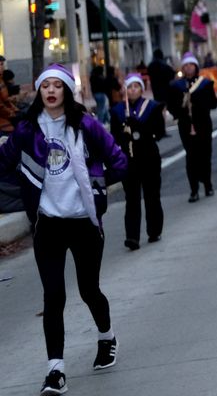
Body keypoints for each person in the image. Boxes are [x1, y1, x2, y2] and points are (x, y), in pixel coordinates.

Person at [0, 64, 127, 396]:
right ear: (40, 92)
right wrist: (26, 185)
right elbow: (4, 162)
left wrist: (97, 190)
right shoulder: (28, 130)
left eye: (58, 85)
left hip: (83, 223)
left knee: (89, 290)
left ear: (67, 91)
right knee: (53, 296)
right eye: (46, 86)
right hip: (48, 226)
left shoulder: (86, 126)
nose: (51, 91)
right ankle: (55, 371)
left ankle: (106, 336)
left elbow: (119, 162)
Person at [110, 73, 166, 249]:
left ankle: (154, 230)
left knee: (151, 195)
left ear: (142, 89)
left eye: (136, 86)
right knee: (132, 198)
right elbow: (113, 137)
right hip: (129, 160)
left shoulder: (152, 107)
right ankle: (132, 236)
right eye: (129, 87)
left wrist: (140, 127)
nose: (132, 90)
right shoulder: (118, 111)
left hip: (149, 157)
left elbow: (160, 131)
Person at [168, 53, 217, 202]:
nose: (188, 67)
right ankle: (194, 189)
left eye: (191, 65)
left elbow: (213, 104)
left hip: (203, 124)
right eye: (186, 65)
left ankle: (208, 184)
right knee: (191, 157)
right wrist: (181, 107)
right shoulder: (176, 86)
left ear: (196, 67)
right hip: (186, 125)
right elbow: (171, 107)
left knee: (205, 155)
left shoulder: (205, 84)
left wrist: (197, 102)